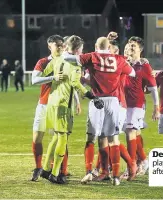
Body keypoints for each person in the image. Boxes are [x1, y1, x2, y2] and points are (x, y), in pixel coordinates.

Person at [63, 36, 135, 186]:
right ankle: (115, 177)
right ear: (109, 47)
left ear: (96, 46)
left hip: (97, 100)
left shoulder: (92, 56)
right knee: (113, 139)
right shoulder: (119, 59)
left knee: (92, 138)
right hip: (114, 102)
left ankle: (89, 172)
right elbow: (132, 72)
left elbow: (69, 58)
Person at [39, 35, 104, 184]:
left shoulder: (57, 58)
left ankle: (45, 169)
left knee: (55, 137)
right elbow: (76, 84)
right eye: (81, 50)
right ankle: (55, 174)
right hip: (63, 105)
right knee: (62, 138)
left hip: (52, 103)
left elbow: (46, 73)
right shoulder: (75, 64)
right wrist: (92, 96)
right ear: (78, 50)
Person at [123, 37, 159, 177]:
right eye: (129, 45)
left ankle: (131, 166)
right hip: (123, 104)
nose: (130, 48)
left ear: (140, 50)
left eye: (133, 46)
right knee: (135, 133)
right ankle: (143, 160)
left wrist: (156, 107)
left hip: (136, 104)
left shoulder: (144, 66)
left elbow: (153, 88)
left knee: (130, 131)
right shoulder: (122, 62)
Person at [30, 35, 65, 181]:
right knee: (37, 138)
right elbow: (34, 80)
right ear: (49, 46)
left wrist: (76, 100)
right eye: (56, 44)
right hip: (44, 105)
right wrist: (53, 77)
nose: (60, 47)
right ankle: (38, 167)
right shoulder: (43, 62)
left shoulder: (66, 61)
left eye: (61, 45)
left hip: (59, 106)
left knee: (60, 138)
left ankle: (59, 170)